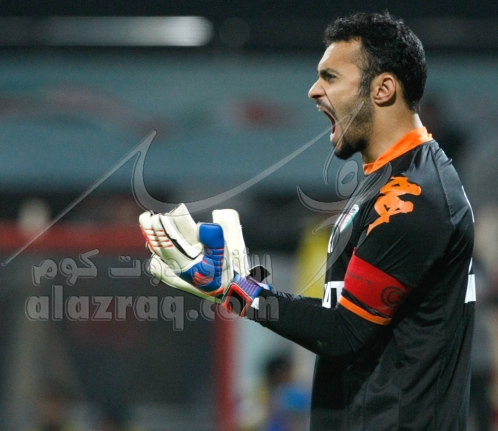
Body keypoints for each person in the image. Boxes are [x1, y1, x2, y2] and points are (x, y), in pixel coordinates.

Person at [141, 11, 475, 431]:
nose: (314, 90)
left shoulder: (412, 199)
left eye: (331, 77)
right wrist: (239, 285)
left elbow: (343, 332)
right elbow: (347, 317)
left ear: (383, 89)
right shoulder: (391, 182)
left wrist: (235, 289)